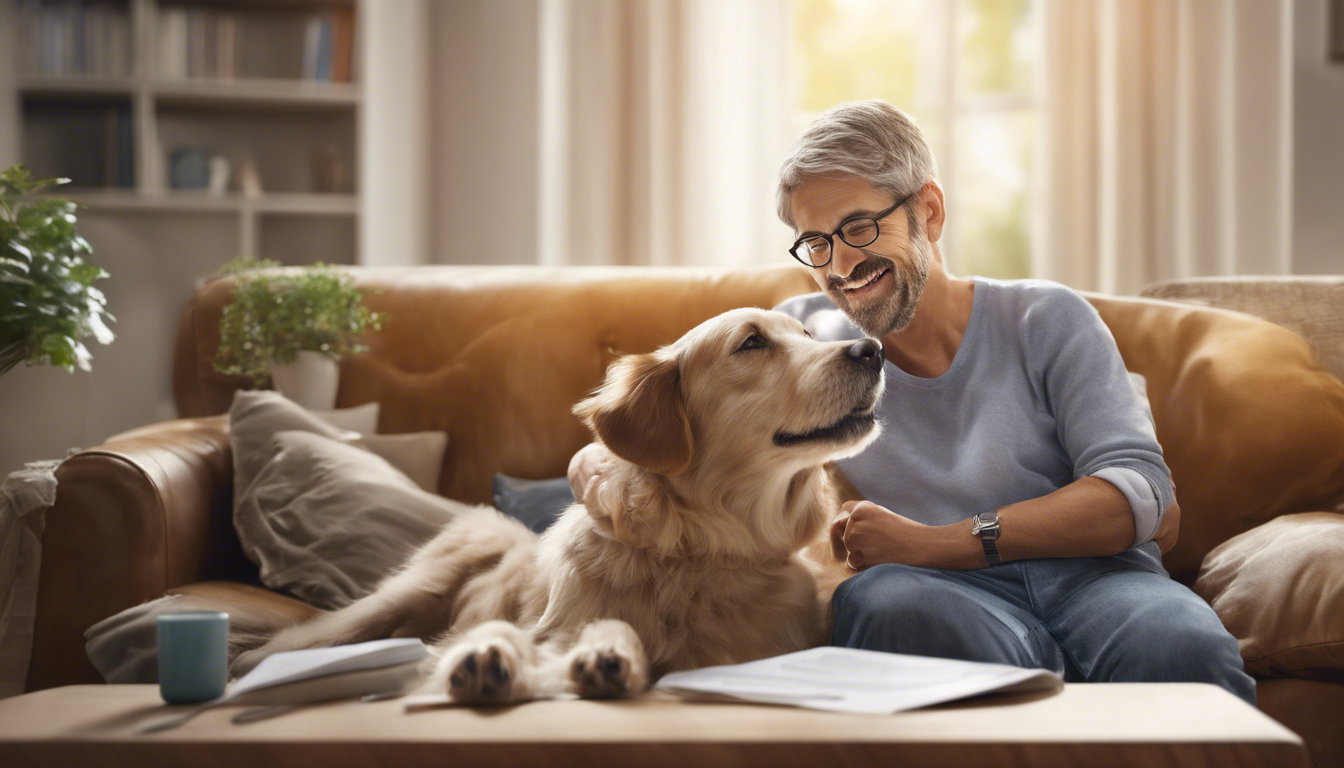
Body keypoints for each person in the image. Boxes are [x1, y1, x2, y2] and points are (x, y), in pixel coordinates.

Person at [570, 100, 1254, 704]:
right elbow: (671, 421)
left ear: (928, 210)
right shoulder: (805, 342)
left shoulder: (1048, 319)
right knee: (880, 604)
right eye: (818, 242)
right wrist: (592, 466)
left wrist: (937, 543)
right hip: (943, 604)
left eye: (860, 227)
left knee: (1182, 648)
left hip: (1103, 583)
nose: (841, 265)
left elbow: (1142, 498)